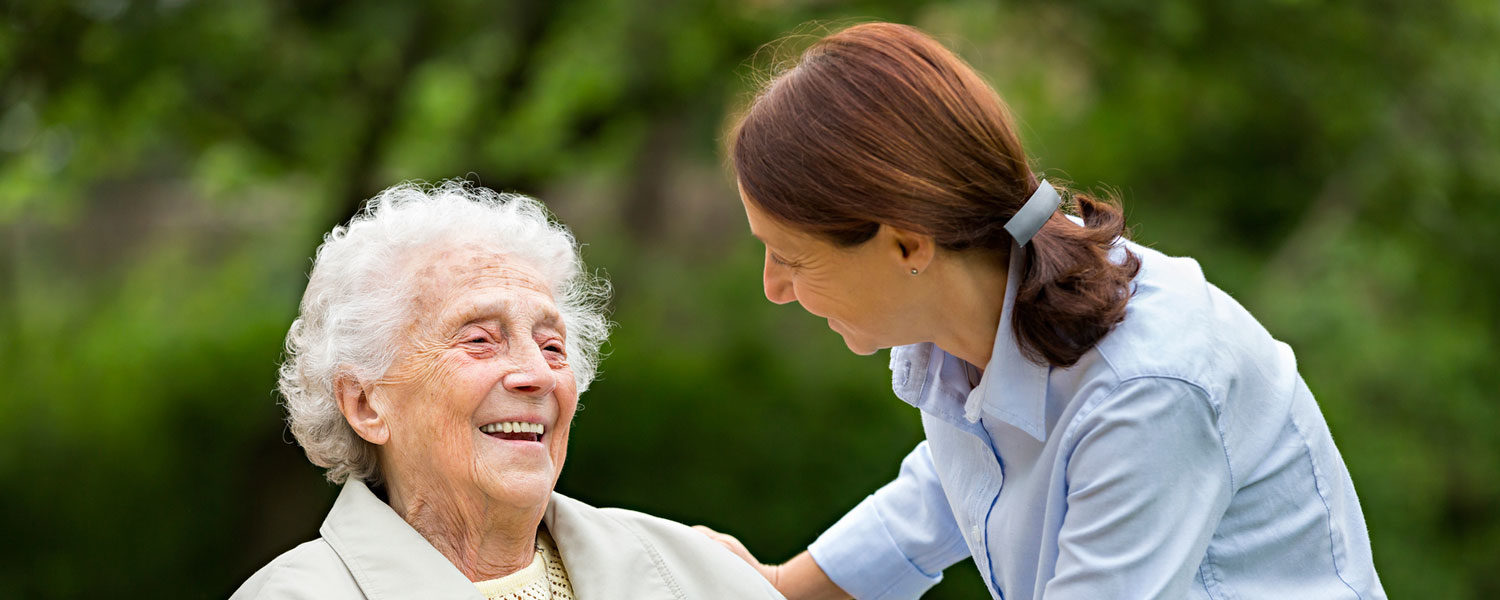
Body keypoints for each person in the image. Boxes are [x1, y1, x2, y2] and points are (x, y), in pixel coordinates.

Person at [695, 22, 1386, 600]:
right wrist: (773, 588)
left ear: (906, 242)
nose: (773, 288)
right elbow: (960, 484)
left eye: (789, 256)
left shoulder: (1144, 390)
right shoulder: (969, 320)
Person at [232, 181, 783, 600]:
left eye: (552, 347)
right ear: (365, 403)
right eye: (479, 340)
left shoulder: (698, 576)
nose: (536, 375)